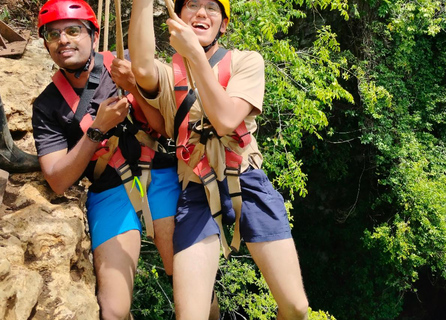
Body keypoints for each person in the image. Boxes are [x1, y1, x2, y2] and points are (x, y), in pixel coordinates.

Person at [128, 0, 310, 319]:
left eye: (212, 8)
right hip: (197, 188)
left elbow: (226, 119)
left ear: (223, 25)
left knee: (295, 307)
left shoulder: (246, 62)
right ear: (177, 19)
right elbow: (142, 68)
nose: (201, 12)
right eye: (192, 5)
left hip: (246, 179)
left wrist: (195, 55)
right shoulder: (170, 74)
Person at [32, 0, 181, 319]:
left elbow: (161, 127)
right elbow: (57, 180)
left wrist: (134, 88)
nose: (63, 40)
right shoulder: (47, 105)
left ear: (94, 37)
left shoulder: (122, 66)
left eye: (73, 30)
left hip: (157, 173)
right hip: (109, 188)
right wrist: (97, 129)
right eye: (52, 34)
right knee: (114, 310)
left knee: (186, 280)